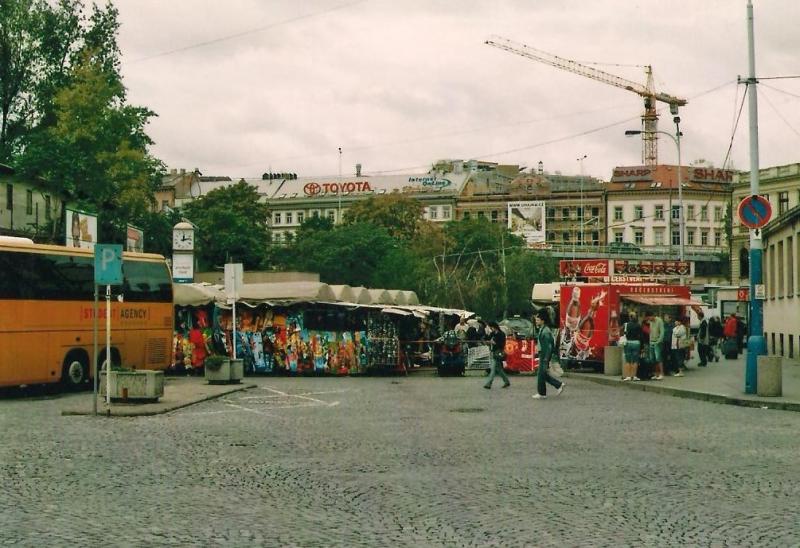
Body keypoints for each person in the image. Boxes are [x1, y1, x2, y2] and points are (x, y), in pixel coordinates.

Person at [532, 309, 563, 399]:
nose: (536, 321)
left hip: (544, 355)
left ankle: (543, 392)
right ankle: (556, 386)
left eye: (538, 320)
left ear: (543, 320)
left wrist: (546, 358)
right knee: (542, 374)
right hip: (543, 354)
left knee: (541, 374)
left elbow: (549, 346)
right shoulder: (543, 329)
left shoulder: (545, 331)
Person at [483, 321, 510, 389]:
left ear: (494, 327)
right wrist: (486, 339)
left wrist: (494, 343)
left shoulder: (501, 334)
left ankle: (489, 383)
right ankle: (506, 381)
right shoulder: (493, 333)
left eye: (491, 328)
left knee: (493, 368)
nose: (491, 329)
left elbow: (502, 344)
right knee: (499, 369)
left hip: (498, 352)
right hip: (494, 352)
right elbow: (487, 338)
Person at [622, 311, 642, 381]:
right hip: (636, 343)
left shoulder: (626, 325)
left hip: (628, 343)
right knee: (635, 361)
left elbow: (622, 333)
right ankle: (634, 376)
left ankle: (628, 376)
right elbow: (641, 336)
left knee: (628, 360)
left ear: (629, 317)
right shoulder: (638, 325)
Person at [647, 310, 665, 380]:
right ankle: (655, 374)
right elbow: (650, 332)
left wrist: (659, 341)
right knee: (652, 359)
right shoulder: (651, 322)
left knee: (658, 358)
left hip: (657, 342)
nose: (649, 319)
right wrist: (650, 341)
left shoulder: (659, 320)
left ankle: (661, 373)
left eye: (649, 317)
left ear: (652, 316)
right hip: (651, 341)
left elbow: (662, 332)